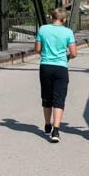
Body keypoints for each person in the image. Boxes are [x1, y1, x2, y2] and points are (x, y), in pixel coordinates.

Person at [34, 8, 77, 143]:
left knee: (46, 97)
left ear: (52, 17)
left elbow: (37, 49)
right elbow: (74, 53)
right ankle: (56, 130)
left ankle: (47, 124)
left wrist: (46, 55)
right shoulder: (68, 32)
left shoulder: (43, 29)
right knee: (59, 99)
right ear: (64, 19)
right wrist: (67, 57)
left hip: (45, 66)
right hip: (61, 67)